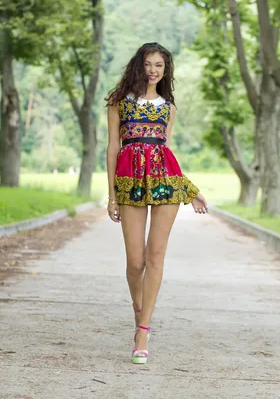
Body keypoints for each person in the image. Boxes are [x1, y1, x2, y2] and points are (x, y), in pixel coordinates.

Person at [105, 42, 208, 365]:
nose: (153, 70)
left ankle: (143, 331)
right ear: (139, 66)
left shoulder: (169, 108)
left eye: (159, 66)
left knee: (156, 254)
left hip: (164, 182)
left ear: (166, 71)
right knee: (135, 262)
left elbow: (165, 152)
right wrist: (111, 195)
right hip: (130, 182)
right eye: (148, 64)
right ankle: (139, 310)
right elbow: (112, 149)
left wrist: (190, 190)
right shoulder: (119, 103)